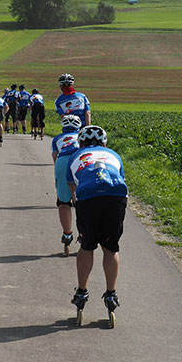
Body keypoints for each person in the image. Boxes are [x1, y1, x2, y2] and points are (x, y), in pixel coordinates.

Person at [66, 125, 128, 326]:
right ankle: (111, 293)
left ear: (81, 143)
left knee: (87, 245)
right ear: (104, 143)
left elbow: (73, 191)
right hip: (116, 197)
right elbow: (120, 178)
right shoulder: (114, 155)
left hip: (88, 198)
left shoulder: (75, 156)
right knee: (111, 247)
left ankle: (82, 292)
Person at [51, 114, 82, 256]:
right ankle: (84, 234)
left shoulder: (57, 139)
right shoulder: (82, 135)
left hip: (63, 160)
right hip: (81, 158)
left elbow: (55, 158)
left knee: (63, 202)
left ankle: (67, 234)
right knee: (82, 201)